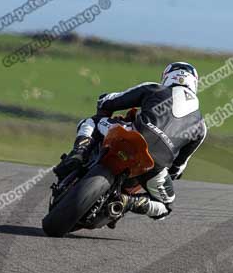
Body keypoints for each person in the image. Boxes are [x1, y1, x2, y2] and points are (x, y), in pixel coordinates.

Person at [53, 62, 207, 220]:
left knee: (90, 122)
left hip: (132, 136)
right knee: (165, 207)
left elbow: (107, 101)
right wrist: (164, 174)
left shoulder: (154, 88)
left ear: (167, 77)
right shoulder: (201, 126)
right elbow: (178, 168)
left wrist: (105, 110)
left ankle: (78, 154)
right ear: (194, 83)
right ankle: (129, 202)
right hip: (156, 163)